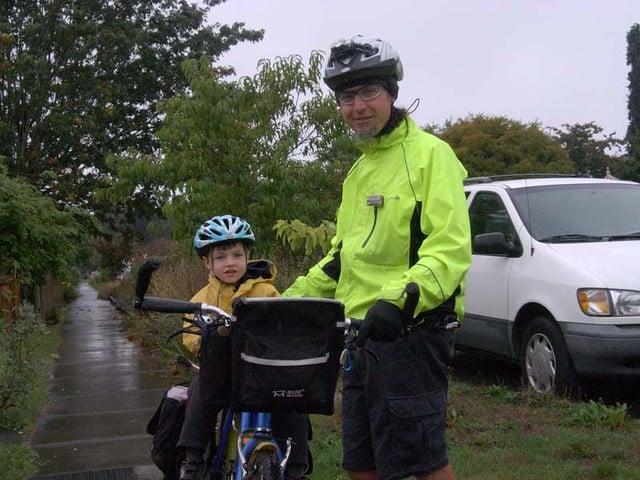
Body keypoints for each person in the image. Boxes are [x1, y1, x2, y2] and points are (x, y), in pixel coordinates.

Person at [283, 35, 472, 480]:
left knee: (421, 464)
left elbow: (449, 247)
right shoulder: (358, 172)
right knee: (360, 463)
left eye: (369, 92)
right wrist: (281, 301)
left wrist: (399, 299)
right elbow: (339, 260)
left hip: (410, 332)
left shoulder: (431, 155)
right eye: (347, 97)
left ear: (392, 93)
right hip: (359, 337)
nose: (358, 106)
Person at [177, 214, 310, 480]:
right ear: (207, 262)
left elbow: (283, 328)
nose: (230, 263)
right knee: (200, 388)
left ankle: (296, 465)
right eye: (221, 257)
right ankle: (192, 458)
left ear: (247, 256)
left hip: (264, 376)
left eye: (237, 255)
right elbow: (191, 338)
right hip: (223, 376)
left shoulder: (266, 292)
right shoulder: (201, 300)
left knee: (295, 397)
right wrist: (210, 335)